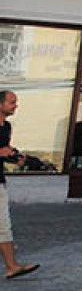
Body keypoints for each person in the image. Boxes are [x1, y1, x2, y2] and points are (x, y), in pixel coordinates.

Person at [0, 90, 38, 280]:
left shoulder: (6, 126)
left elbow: (5, 150)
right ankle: (12, 266)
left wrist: (19, 159)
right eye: (11, 102)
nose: (16, 105)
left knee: (3, 227)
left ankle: (12, 267)